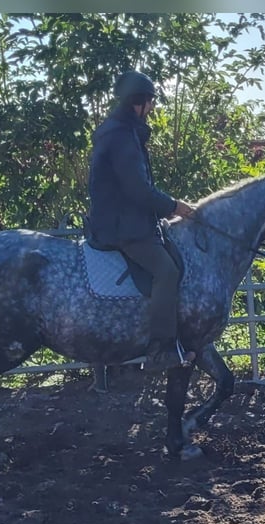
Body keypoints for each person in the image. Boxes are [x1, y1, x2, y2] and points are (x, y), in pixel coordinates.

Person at [86, 70, 196, 371]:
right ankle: (160, 350)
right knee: (167, 272)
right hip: (122, 225)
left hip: (123, 219)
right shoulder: (122, 136)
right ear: (140, 102)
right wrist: (174, 206)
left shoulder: (119, 131)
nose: (153, 108)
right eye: (151, 102)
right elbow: (137, 188)